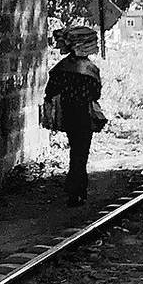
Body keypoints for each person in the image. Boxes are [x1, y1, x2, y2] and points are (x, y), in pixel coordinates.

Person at [44, 25, 105, 207]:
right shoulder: (91, 70)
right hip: (85, 115)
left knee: (74, 151)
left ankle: (74, 189)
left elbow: (50, 90)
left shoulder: (61, 68)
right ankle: (79, 189)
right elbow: (96, 94)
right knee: (81, 152)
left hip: (68, 114)